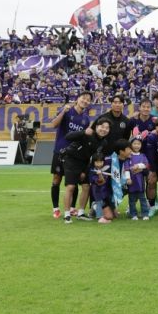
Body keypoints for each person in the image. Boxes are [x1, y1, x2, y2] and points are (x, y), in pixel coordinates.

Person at [48, 91, 92, 219]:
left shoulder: (86, 119)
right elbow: (54, 124)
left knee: (74, 180)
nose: (85, 101)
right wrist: (62, 111)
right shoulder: (67, 111)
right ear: (78, 99)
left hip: (74, 155)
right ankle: (56, 208)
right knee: (57, 179)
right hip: (60, 151)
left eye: (88, 100)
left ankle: (72, 208)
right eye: (83, 98)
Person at [61, 118, 111, 223]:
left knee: (86, 186)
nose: (104, 129)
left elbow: (93, 158)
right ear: (97, 127)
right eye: (102, 127)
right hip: (71, 160)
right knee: (71, 186)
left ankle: (81, 213)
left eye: (107, 128)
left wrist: (85, 170)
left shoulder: (104, 142)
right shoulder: (88, 133)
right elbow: (67, 136)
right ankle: (66, 215)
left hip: (85, 164)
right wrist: (83, 132)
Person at [125, 133, 151, 220]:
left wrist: (139, 166)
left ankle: (145, 214)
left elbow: (146, 165)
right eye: (134, 143)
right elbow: (126, 169)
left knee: (142, 199)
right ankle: (133, 214)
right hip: (132, 182)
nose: (136, 146)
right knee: (132, 200)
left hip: (140, 181)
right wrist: (128, 178)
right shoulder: (128, 156)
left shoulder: (142, 155)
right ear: (131, 144)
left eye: (138, 144)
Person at [89, 153, 115, 224]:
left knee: (112, 216)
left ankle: (94, 206)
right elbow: (101, 182)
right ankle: (100, 217)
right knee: (99, 203)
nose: (99, 164)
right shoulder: (92, 171)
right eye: (97, 162)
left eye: (101, 162)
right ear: (93, 162)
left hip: (105, 194)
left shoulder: (106, 169)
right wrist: (100, 175)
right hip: (98, 193)